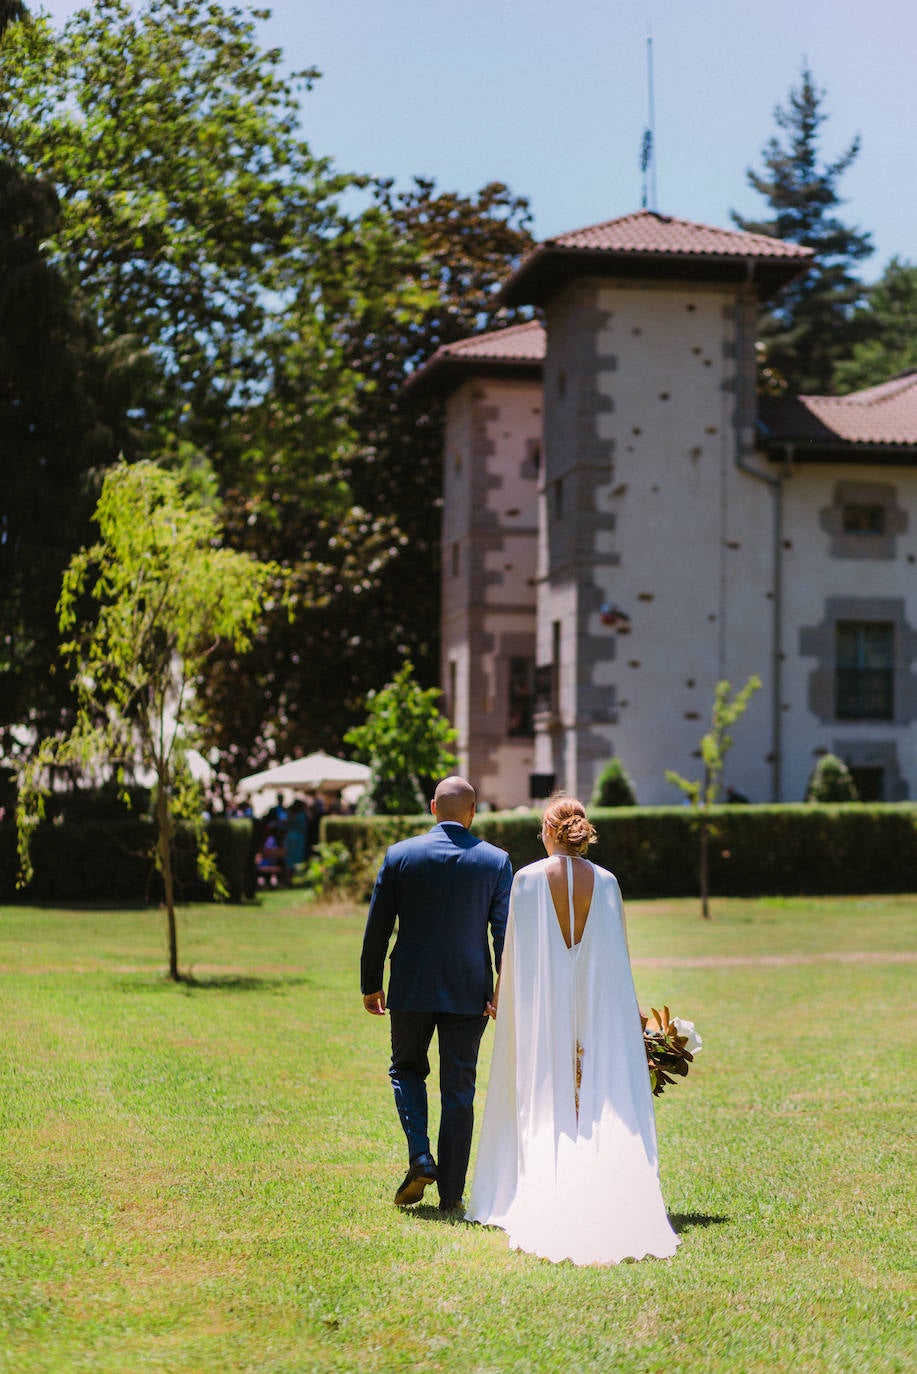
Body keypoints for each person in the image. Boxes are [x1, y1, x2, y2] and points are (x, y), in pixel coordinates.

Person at [466, 795, 679, 1265]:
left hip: (544, 999)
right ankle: (599, 1169)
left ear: (548, 829)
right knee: (593, 1081)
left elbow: (515, 950)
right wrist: (633, 1014)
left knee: (544, 1079)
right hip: (596, 997)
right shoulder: (607, 882)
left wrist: (503, 997)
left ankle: (541, 1173)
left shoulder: (526, 880)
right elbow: (617, 953)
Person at [361, 776, 513, 1212]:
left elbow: (378, 926)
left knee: (406, 1070)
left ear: (432, 807)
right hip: (470, 989)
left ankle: (420, 1156)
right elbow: (504, 934)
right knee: (459, 1088)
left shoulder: (400, 855)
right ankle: (451, 1194)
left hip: (410, 985)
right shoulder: (495, 861)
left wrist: (371, 982)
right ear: (473, 811)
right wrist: (504, 988)